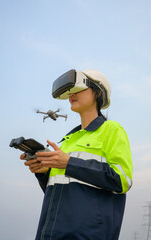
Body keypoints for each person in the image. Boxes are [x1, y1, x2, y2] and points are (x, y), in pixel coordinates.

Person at [21, 69, 133, 240]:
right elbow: (62, 194)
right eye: (70, 92)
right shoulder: (67, 141)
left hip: (87, 235)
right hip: (50, 234)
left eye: (78, 89)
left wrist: (69, 164)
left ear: (98, 92)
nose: (72, 95)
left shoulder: (112, 130)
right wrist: (43, 173)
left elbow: (123, 180)